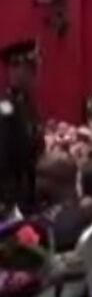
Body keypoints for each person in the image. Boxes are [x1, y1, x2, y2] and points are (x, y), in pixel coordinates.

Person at [0, 39, 43, 213]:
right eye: (30, 69)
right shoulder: (5, 108)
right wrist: (9, 203)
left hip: (28, 190)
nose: (35, 75)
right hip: (11, 196)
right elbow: (3, 158)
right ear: (14, 69)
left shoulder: (27, 102)